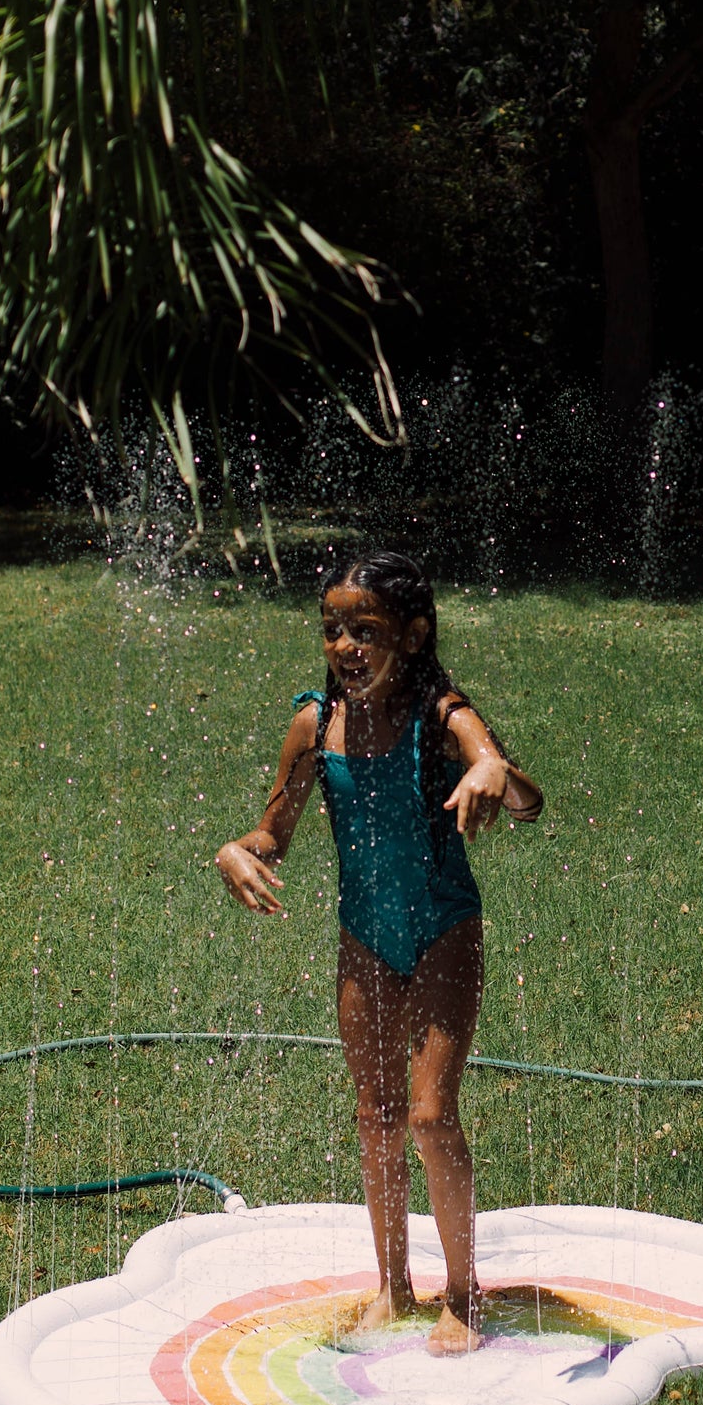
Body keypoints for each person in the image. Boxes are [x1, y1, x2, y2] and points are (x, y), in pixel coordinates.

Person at [215, 550, 543, 1355]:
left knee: (430, 1116)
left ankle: (460, 1293)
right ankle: (392, 1285)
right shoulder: (314, 723)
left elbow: (526, 799)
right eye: (332, 629)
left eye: (365, 630)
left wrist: (494, 767)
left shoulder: (442, 711)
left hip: (442, 925)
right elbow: (276, 831)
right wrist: (239, 848)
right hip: (362, 934)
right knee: (376, 1116)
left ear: (414, 633)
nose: (345, 645)